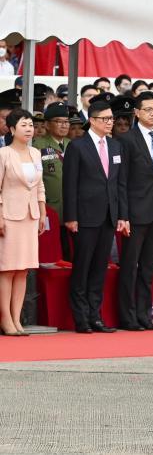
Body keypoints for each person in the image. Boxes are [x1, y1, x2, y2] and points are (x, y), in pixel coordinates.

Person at [63, 101, 121, 333]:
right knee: (82, 267)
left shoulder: (116, 146)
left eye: (111, 119)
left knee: (100, 268)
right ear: (93, 120)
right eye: (105, 119)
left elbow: (119, 184)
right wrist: (71, 216)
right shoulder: (78, 146)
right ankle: (81, 318)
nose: (110, 123)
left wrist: (121, 215)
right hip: (84, 216)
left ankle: (95, 316)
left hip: (108, 216)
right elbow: (70, 184)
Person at [116, 91, 153, 331]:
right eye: (147, 109)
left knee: (148, 267)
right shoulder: (126, 139)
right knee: (130, 266)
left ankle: (145, 314)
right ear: (137, 112)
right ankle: (128, 316)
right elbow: (122, 181)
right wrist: (123, 215)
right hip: (135, 213)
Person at [0, 109, 45, 335]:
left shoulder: (36, 153)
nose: (29, 129)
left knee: (23, 270)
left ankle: (17, 319)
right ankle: (6, 319)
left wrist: (42, 211)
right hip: (9, 216)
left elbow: (39, 185)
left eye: (30, 125)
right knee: (7, 269)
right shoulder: (4, 154)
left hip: (30, 216)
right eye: (24, 125)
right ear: (12, 129)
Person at [33, 102, 72, 260]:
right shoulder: (38, 146)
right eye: (58, 121)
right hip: (49, 208)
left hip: (71, 210)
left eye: (66, 121)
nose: (64, 125)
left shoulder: (73, 145)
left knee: (69, 252)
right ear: (48, 125)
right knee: (49, 254)